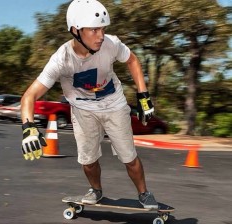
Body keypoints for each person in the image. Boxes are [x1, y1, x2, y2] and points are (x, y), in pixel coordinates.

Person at [21, 0, 158, 210]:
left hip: (114, 105)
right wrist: (28, 127)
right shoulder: (61, 59)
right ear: (76, 30)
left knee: (129, 158)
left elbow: (132, 61)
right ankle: (96, 190)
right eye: (94, 30)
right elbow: (29, 96)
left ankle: (144, 193)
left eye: (102, 29)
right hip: (83, 110)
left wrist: (143, 96)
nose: (101, 35)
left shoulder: (111, 44)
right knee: (88, 160)